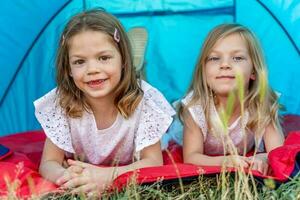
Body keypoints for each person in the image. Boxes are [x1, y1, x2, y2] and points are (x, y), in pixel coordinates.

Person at [34, 9, 175, 196]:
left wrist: (106, 176)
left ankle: (137, 67)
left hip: (133, 109)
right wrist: (66, 176)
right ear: (68, 68)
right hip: (89, 162)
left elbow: (153, 162)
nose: (92, 69)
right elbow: (49, 162)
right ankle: (125, 63)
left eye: (103, 58)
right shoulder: (60, 103)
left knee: (166, 135)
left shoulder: (145, 102)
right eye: (79, 62)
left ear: (123, 59)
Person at [180, 24, 284, 175]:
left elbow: (278, 152)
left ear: (254, 71)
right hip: (180, 128)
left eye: (237, 58)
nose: (225, 65)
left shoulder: (262, 103)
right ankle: (140, 72)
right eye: (215, 58)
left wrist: (262, 158)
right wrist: (225, 161)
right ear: (203, 71)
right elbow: (191, 157)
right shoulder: (195, 107)